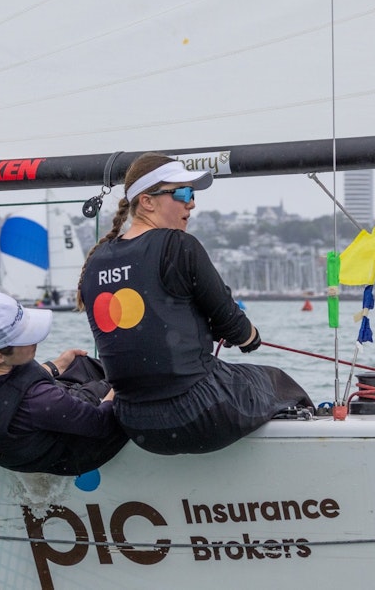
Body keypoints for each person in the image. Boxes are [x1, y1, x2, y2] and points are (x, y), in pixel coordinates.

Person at [78, 153, 313, 455]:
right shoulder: (179, 245)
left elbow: (151, 324)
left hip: (137, 425)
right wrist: (250, 337)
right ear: (147, 201)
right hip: (198, 412)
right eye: (184, 194)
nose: (192, 203)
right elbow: (235, 327)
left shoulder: (95, 261)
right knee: (281, 384)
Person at [0, 293, 128, 475]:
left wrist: (56, 365)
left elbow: (2, 387)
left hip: (16, 443)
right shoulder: (38, 399)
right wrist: (123, 379)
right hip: (65, 456)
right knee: (113, 378)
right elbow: (101, 423)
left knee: (79, 364)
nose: (35, 341)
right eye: (27, 338)